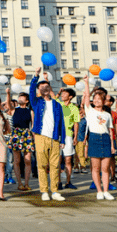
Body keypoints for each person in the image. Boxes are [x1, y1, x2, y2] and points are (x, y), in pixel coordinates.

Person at [28, 69, 66, 202]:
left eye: (46, 86)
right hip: (40, 136)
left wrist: (63, 139)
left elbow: (61, 122)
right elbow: (31, 91)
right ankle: (44, 190)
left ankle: (54, 191)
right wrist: (36, 77)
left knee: (55, 166)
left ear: (50, 88)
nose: (44, 88)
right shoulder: (36, 102)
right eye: (41, 87)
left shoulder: (57, 105)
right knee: (42, 165)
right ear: (39, 89)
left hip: (55, 138)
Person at [81, 74, 116, 200]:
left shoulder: (107, 115)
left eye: (98, 99)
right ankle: (99, 191)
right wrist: (86, 83)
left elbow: (111, 131)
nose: (96, 101)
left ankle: (106, 191)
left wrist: (112, 145)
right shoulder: (89, 110)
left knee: (105, 169)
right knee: (95, 168)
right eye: (94, 98)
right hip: (94, 139)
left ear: (103, 101)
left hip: (105, 139)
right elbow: (86, 98)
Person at [3, 87, 34, 191]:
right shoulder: (13, 110)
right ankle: (19, 183)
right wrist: (8, 94)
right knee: (16, 160)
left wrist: (33, 139)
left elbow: (33, 125)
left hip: (26, 133)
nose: (20, 98)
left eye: (22, 97)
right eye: (19, 97)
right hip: (16, 134)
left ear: (27, 100)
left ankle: (27, 183)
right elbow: (8, 104)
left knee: (28, 160)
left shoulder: (30, 111)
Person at [58, 87, 80, 189]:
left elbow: (76, 123)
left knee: (68, 159)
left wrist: (75, 136)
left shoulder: (74, 108)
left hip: (68, 135)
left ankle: (68, 181)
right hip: (57, 135)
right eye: (62, 94)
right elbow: (52, 97)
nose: (62, 95)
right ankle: (58, 182)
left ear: (70, 96)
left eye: (64, 94)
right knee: (57, 159)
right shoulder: (59, 105)